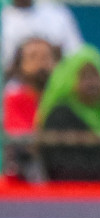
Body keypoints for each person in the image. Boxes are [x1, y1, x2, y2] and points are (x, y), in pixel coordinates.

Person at [35, 45, 100, 181]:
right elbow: (65, 169)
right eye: (84, 77)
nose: (92, 83)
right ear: (68, 81)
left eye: (96, 76)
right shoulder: (60, 117)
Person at [3, 37, 59, 178]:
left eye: (46, 57)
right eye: (33, 57)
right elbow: (23, 142)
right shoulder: (12, 99)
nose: (41, 64)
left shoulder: (62, 101)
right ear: (20, 64)